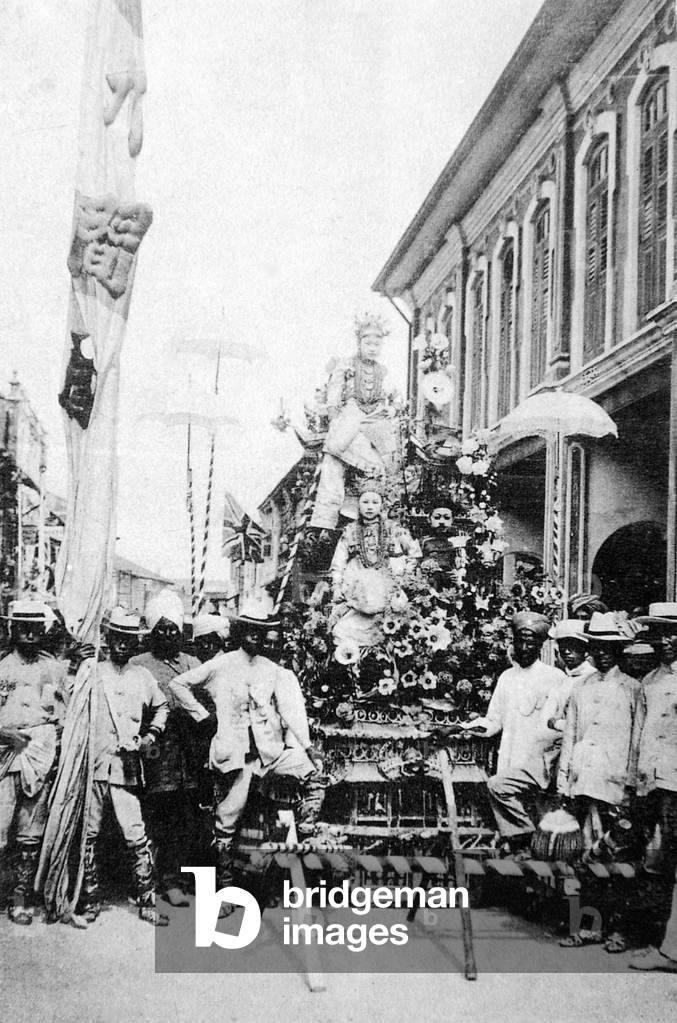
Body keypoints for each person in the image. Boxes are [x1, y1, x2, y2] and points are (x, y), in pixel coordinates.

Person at [168, 605, 324, 914]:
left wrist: (307, 747)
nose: (257, 638)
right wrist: (203, 716)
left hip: (269, 754)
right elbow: (178, 684)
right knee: (226, 822)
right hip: (234, 757)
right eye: (250, 632)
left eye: (261, 633)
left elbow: (290, 711)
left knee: (314, 774)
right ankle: (224, 892)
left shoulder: (271, 669)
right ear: (240, 634)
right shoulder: (221, 664)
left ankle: (306, 833)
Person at [71, 608, 169, 927]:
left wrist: (150, 736)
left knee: (135, 832)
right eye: (117, 639)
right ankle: (88, 897)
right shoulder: (92, 670)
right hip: (94, 764)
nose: (122, 645)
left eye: (128, 640)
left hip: (126, 764)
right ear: (108, 639)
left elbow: (161, 706)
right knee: (90, 833)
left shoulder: (142, 675)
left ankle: (146, 897)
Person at [557, 612, 642, 953]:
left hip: (615, 786)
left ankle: (619, 930)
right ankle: (590, 928)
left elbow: (636, 741)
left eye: (611, 646)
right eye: (598, 646)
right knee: (585, 860)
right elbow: (571, 736)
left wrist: (631, 787)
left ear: (620, 649)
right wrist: (564, 784)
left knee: (618, 860)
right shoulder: (580, 688)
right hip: (583, 782)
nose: (603, 652)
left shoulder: (632, 688)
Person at [462, 611, 570, 858]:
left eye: (530, 641)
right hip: (511, 758)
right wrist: (464, 728)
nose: (524, 647)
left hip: (542, 765)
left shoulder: (556, 678)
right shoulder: (507, 677)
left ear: (541, 644)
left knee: (544, 825)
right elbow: (494, 721)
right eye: (519, 640)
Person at [130, 589, 206, 908]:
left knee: (181, 819)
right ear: (151, 632)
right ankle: (144, 880)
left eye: (172, 628)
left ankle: (172, 881)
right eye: (160, 628)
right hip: (153, 752)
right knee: (152, 817)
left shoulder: (191, 662)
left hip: (186, 752)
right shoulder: (138, 664)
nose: (167, 634)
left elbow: (207, 701)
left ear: (181, 631)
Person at [0, 599, 68, 924]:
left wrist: (51, 744)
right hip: (4, 753)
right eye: (22, 627)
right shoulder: (2, 666)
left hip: (40, 754)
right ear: (12, 628)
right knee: (1, 825)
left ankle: (20, 895)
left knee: (30, 829)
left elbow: (63, 714)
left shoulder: (53, 668)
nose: (29, 634)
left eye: (34, 628)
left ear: (42, 630)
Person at [310, 314, 400, 529]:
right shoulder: (346, 366)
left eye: (377, 344)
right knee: (335, 457)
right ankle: (326, 523)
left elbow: (390, 398)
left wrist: (391, 408)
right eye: (368, 343)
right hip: (351, 415)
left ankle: (364, 515)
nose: (372, 348)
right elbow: (333, 394)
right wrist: (334, 418)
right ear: (359, 343)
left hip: (375, 420)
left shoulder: (382, 371)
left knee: (379, 465)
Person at [628, 604, 677, 971]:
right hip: (654, 784)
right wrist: (637, 780)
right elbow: (639, 737)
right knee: (656, 862)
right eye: (660, 633)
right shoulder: (651, 682)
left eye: (673, 632)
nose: (666, 640)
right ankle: (660, 943)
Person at [329, 480, 421, 649]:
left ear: (382, 505)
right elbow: (338, 562)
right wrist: (337, 585)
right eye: (365, 502)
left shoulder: (394, 529)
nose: (370, 507)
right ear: (358, 504)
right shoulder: (350, 531)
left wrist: (406, 577)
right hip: (357, 591)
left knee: (392, 631)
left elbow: (414, 552)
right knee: (342, 630)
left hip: (386, 587)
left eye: (374, 502)